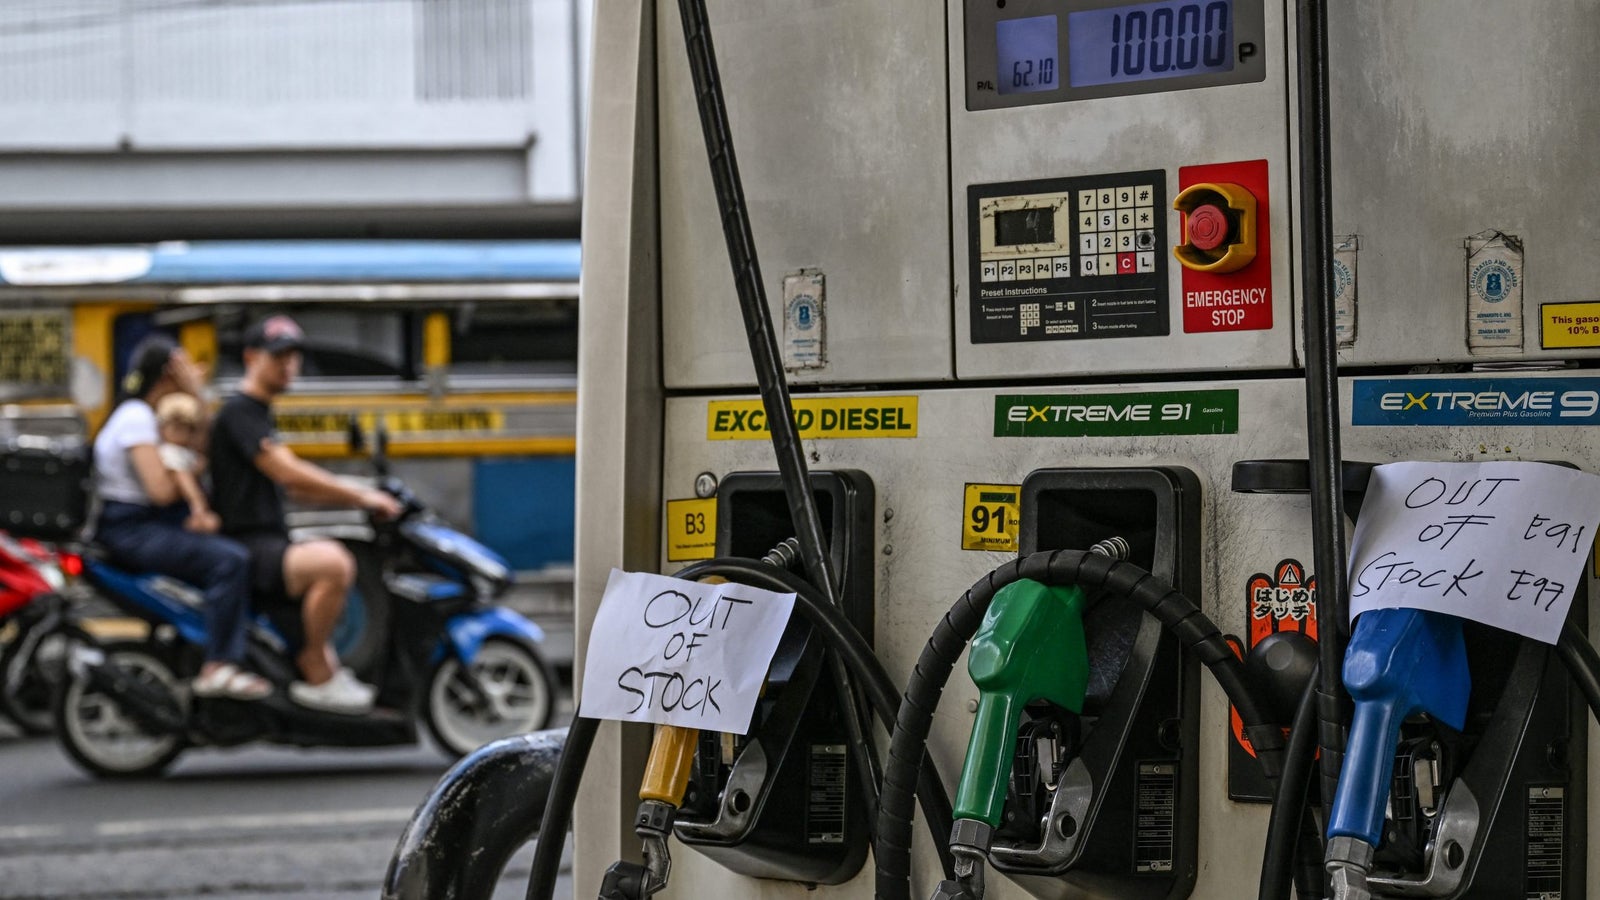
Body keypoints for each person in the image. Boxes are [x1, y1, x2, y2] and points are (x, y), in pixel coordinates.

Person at [208, 315, 401, 714]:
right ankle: (315, 666)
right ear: (250, 357)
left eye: (293, 357)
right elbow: (287, 470)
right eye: (277, 356)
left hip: (266, 540)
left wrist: (350, 496)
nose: (287, 365)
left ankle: (322, 666)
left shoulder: (258, 412)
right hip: (248, 544)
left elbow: (293, 486)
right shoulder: (240, 412)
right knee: (333, 565)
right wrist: (362, 495)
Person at [92, 335, 270, 701]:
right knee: (229, 561)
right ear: (170, 372)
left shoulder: (151, 417)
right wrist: (188, 471)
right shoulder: (137, 418)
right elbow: (161, 490)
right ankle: (219, 664)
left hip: (146, 523)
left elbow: (199, 449)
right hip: (132, 527)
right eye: (186, 367)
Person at [155, 393, 221, 535]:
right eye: (176, 428)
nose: (182, 435)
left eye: (188, 429)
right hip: (178, 509)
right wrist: (198, 505)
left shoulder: (186, 451)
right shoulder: (170, 452)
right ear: (162, 428)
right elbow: (182, 477)